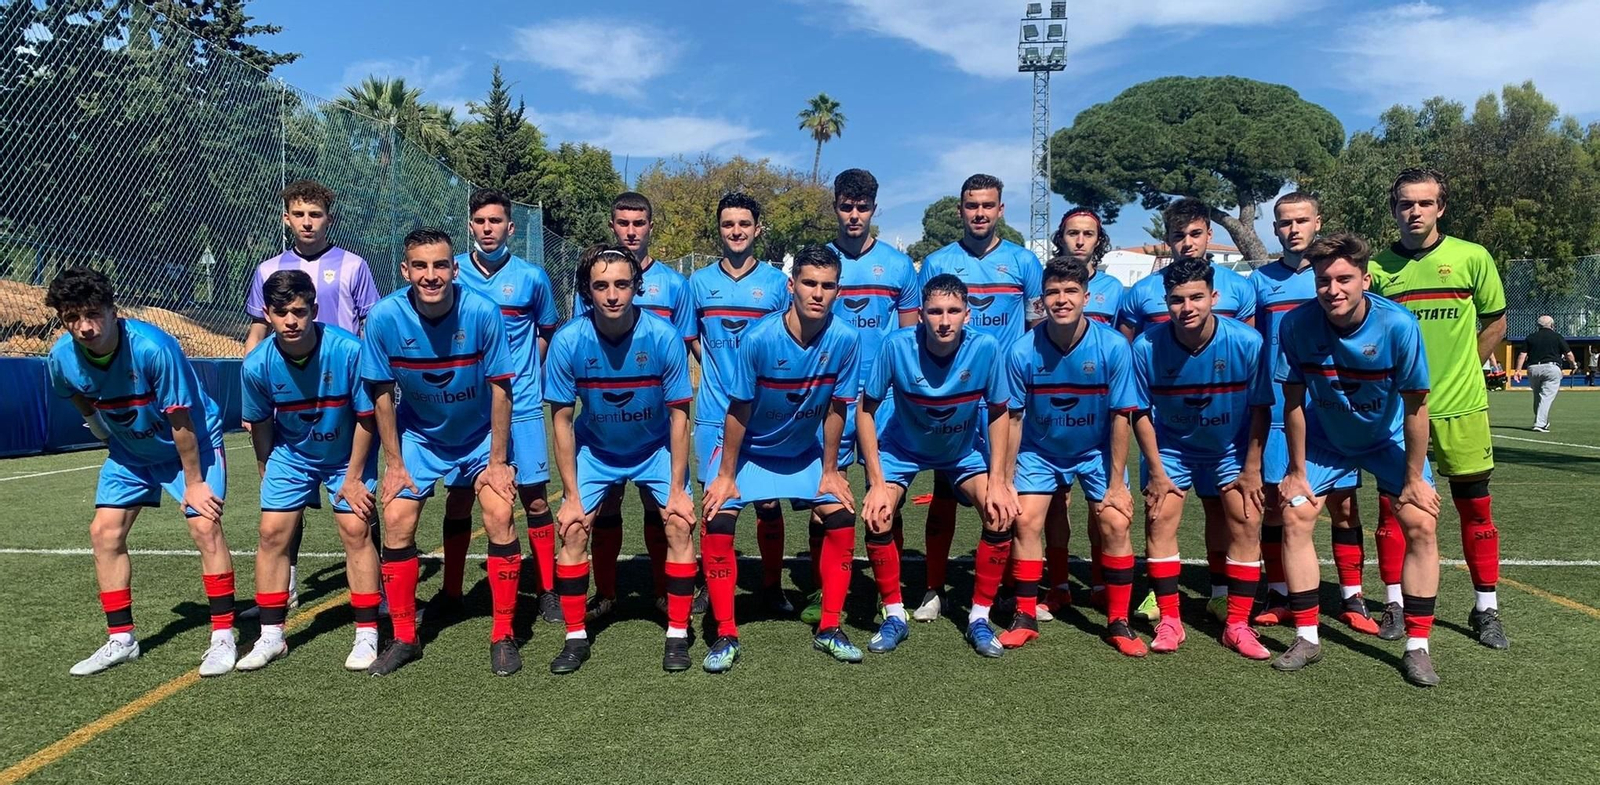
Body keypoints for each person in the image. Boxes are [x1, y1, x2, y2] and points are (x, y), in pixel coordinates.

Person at [47, 267, 236, 677]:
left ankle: (223, 636)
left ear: (114, 311)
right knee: (104, 532)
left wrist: (194, 483)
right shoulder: (61, 357)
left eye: (93, 314)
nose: (84, 328)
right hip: (130, 451)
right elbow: (75, 393)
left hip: (190, 444)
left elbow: (181, 419)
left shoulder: (154, 348)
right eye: (72, 318)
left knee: (204, 525)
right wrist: (99, 428)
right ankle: (121, 640)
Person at [1272, 232, 1443, 686]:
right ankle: (1307, 637)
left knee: (1421, 521)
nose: (1334, 290)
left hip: (1386, 439)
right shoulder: (1296, 325)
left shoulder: (1398, 326)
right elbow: (1291, 402)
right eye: (1324, 280)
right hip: (1326, 437)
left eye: (1344, 279)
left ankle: (1418, 647)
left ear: (1365, 279)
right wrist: (1295, 470)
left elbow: (1416, 407)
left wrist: (1412, 479)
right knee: (1295, 516)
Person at [359, 228, 519, 677]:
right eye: (422, 267)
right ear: (406, 270)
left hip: (479, 435)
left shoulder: (483, 312)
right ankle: (406, 637)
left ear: (454, 268)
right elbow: (381, 394)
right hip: (421, 436)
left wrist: (498, 461)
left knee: (499, 512)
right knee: (395, 517)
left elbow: (501, 388)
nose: (432, 276)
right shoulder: (384, 317)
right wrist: (393, 465)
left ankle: (504, 634)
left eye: (441, 265)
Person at [699, 245, 861, 672]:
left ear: (838, 291)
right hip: (749, 453)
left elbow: (837, 408)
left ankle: (829, 628)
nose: (817, 293)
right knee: (717, 517)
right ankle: (726, 634)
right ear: (792, 286)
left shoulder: (846, 338)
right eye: (809, 283)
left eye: (827, 286)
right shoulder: (759, 339)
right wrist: (726, 476)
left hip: (802, 455)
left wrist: (830, 471)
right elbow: (738, 411)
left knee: (842, 516)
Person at [1369, 168, 1510, 650]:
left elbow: (1496, 319)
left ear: (1440, 208)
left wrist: (1465, 367)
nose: (1415, 212)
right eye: (1406, 204)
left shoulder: (1472, 257)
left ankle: (1486, 609)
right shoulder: (1379, 268)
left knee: (1475, 509)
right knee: (1394, 512)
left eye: (1424, 203)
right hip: (1398, 413)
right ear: (1394, 210)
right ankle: (1393, 602)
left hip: (1461, 408)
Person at [543, 244, 696, 673]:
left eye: (622, 284)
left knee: (680, 522)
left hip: (654, 449)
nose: (612, 295)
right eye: (601, 286)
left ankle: (678, 633)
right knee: (573, 529)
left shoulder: (663, 337)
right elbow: (560, 420)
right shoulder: (569, 340)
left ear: (637, 287)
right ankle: (575, 636)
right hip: (597, 450)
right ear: (587, 292)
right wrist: (571, 496)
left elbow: (680, 416)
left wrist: (680, 489)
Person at [990, 257, 1145, 657]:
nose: (1062, 300)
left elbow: (1121, 417)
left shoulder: (1113, 345)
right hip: (1040, 452)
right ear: (1042, 300)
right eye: (1054, 292)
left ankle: (1118, 621)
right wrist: (1005, 480)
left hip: (1094, 451)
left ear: (1086, 297)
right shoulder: (1022, 350)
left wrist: (1115, 484)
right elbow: (1014, 418)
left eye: (1070, 292)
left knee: (1114, 520)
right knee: (1024, 520)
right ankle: (1024, 616)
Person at [241, 179, 380, 614]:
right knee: (285, 506)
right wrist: (253, 389)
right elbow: (257, 330)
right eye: (299, 214)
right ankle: (289, 585)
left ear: (328, 219)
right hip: (290, 395)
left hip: (341, 392)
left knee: (358, 505)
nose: (307, 222)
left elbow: (372, 325)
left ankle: (373, 597)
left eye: (315, 214)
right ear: (286, 218)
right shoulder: (267, 269)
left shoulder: (354, 266)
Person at [1119, 197, 1257, 623]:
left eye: (1195, 233)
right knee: (1159, 510)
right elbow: (1125, 351)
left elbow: (1245, 366)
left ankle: (1220, 593)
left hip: (1223, 430)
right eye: (1178, 235)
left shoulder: (1240, 291)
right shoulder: (1141, 293)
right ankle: (1162, 601)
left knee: (1227, 510)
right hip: (1170, 425)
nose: (1187, 243)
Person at [912, 174, 1043, 622]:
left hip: (1006, 400)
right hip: (956, 396)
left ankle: (1009, 591)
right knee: (945, 491)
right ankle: (933, 588)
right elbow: (920, 329)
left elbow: (1035, 330)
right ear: (960, 210)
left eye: (988, 205)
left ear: (1001, 209)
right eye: (971, 205)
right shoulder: (936, 261)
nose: (980, 213)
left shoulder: (1024, 263)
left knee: (1008, 495)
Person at [854, 274, 1007, 655]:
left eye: (953, 311)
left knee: (1001, 514)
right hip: (902, 448)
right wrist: (875, 481)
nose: (944, 320)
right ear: (920, 314)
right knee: (878, 515)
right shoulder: (896, 345)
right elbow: (865, 411)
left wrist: (1001, 479)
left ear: (967, 315)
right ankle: (894, 614)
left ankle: (979, 618)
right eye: (935, 311)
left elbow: (1001, 412)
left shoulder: (986, 347)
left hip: (960, 451)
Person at [236, 271, 381, 672]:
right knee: (271, 533)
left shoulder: (350, 351)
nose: (291, 321)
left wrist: (353, 478)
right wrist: (266, 469)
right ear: (268, 314)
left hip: (345, 454)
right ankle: (271, 637)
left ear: (314, 310)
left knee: (355, 529)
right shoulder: (257, 365)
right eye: (281, 313)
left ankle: (367, 633)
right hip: (291, 454)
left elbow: (368, 420)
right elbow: (261, 425)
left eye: (299, 311)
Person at [1129, 256, 1273, 658]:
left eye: (1196, 297)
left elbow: (1262, 407)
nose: (1186, 308)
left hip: (1230, 448)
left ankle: (1237, 625)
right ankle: (1170, 621)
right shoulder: (1146, 347)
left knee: (1246, 520)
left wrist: (1252, 468)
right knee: (1158, 519)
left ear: (1214, 296)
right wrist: (1156, 471)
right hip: (1172, 449)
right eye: (1177, 299)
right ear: (1165, 301)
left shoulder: (1247, 342)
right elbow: (1139, 411)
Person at [1250, 193, 1375, 635]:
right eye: (1284, 222)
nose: (1293, 229)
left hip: (1329, 409)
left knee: (1343, 507)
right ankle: (1281, 593)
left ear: (1317, 222)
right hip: (1282, 410)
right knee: (1275, 507)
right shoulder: (1259, 281)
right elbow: (1254, 344)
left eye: (1302, 220)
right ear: (1275, 228)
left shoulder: (1332, 277)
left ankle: (1352, 596)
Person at [441, 190, 561, 625]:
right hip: (471, 411)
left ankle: (547, 590)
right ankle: (451, 591)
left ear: (511, 227)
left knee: (534, 499)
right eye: (480, 221)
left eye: (496, 221)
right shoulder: (451, 272)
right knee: (458, 498)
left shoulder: (532, 277)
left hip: (524, 404)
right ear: (470, 226)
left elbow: (546, 330)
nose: (488, 229)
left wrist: (524, 373)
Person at [576, 192, 696, 621]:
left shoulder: (675, 286)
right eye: (623, 222)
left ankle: (664, 593)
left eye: (639, 222)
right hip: (603, 425)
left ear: (650, 227)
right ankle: (606, 594)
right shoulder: (593, 277)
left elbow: (680, 353)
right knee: (605, 505)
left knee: (657, 505)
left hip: (653, 424)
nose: (631, 230)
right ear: (613, 226)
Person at [818, 168, 920, 625]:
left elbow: (909, 339)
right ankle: (826, 591)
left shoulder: (898, 266)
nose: (854, 215)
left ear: (874, 209)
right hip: (833, 399)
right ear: (835, 206)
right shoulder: (819, 263)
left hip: (884, 402)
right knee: (830, 494)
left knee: (887, 498)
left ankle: (887, 593)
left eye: (862, 207)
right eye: (846, 206)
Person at [688, 193, 791, 614]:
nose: (736, 231)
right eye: (728, 223)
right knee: (714, 502)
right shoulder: (699, 282)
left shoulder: (775, 285)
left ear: (757, 229)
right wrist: (718, 369)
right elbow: (691, 336)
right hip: (714, 409)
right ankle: (711, 589)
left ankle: (771, 586)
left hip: (762, 414)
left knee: (768, 501)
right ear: (720, 228)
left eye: (744, 224)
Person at [1041, 207, 1123, 617]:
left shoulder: (1115, 289)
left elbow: (1122, 346)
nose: (1079, 240)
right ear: (1061, 237)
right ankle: (1057, 584)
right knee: (1056, 502)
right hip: (1052, 410)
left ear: (1097, 239)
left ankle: (1098, 580)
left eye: (1087, 234)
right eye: (1072, 232)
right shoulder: (1048, 282)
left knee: (1100, 505)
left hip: (1096, 412)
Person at [1514, 315, 1575, 433]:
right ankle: (1540, 424)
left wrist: (1518, 370)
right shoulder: (1557, 337)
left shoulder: (1531, 337)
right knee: (1546, 397)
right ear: (1552, 325)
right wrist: (1573, 365)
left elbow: (1522, 355)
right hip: (1551, 368)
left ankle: (1542, 421)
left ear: (1538, 326)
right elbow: (1568, 354)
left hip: (1533, 368)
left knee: (1538, 396)